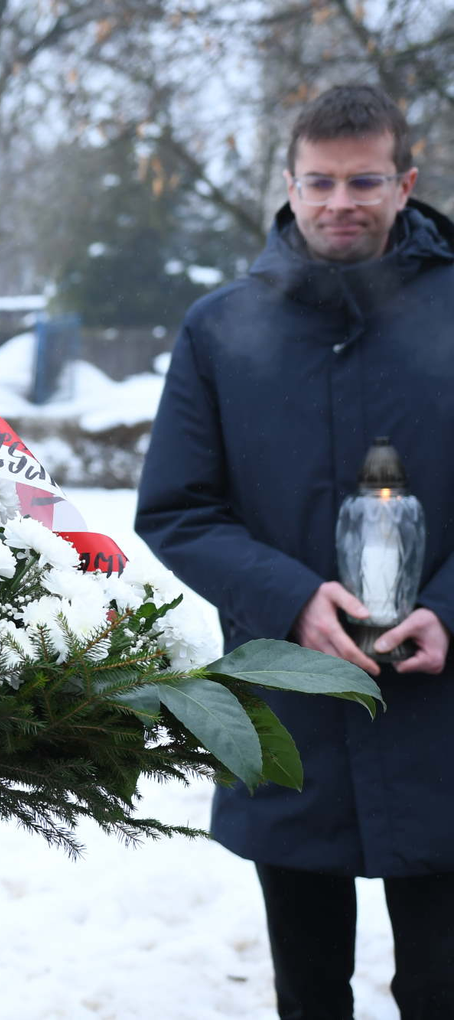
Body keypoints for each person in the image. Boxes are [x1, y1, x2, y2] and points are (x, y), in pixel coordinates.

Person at [136, 85, 454, 1019]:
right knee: (309, 991)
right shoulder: (220, 329)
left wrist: (450, 608)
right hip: (289, 708)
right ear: (289, 183)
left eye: (364, 181)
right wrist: (292, 601)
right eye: (320, 182)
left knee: (442, 985)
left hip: (443, 715)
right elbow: (179, 509)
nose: (339, 202)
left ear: (405, 183)